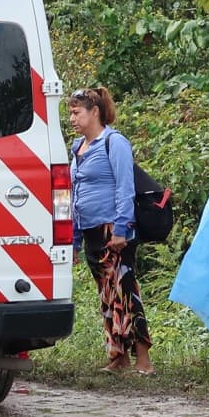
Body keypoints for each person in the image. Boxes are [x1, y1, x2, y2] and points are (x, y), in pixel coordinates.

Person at [68, 87, 154, 375]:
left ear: (94, 112)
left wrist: (121, 229)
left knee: (126, 292)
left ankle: (143, 359)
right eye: (70, 113)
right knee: (107, 296)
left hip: (113, 231)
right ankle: (118, 356)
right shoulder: (77, 148)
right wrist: (74, 241)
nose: (72, 119)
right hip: (90, 231)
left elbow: (125, 187)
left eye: (77, 112)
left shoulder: (114, 142)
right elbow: (74, 195)